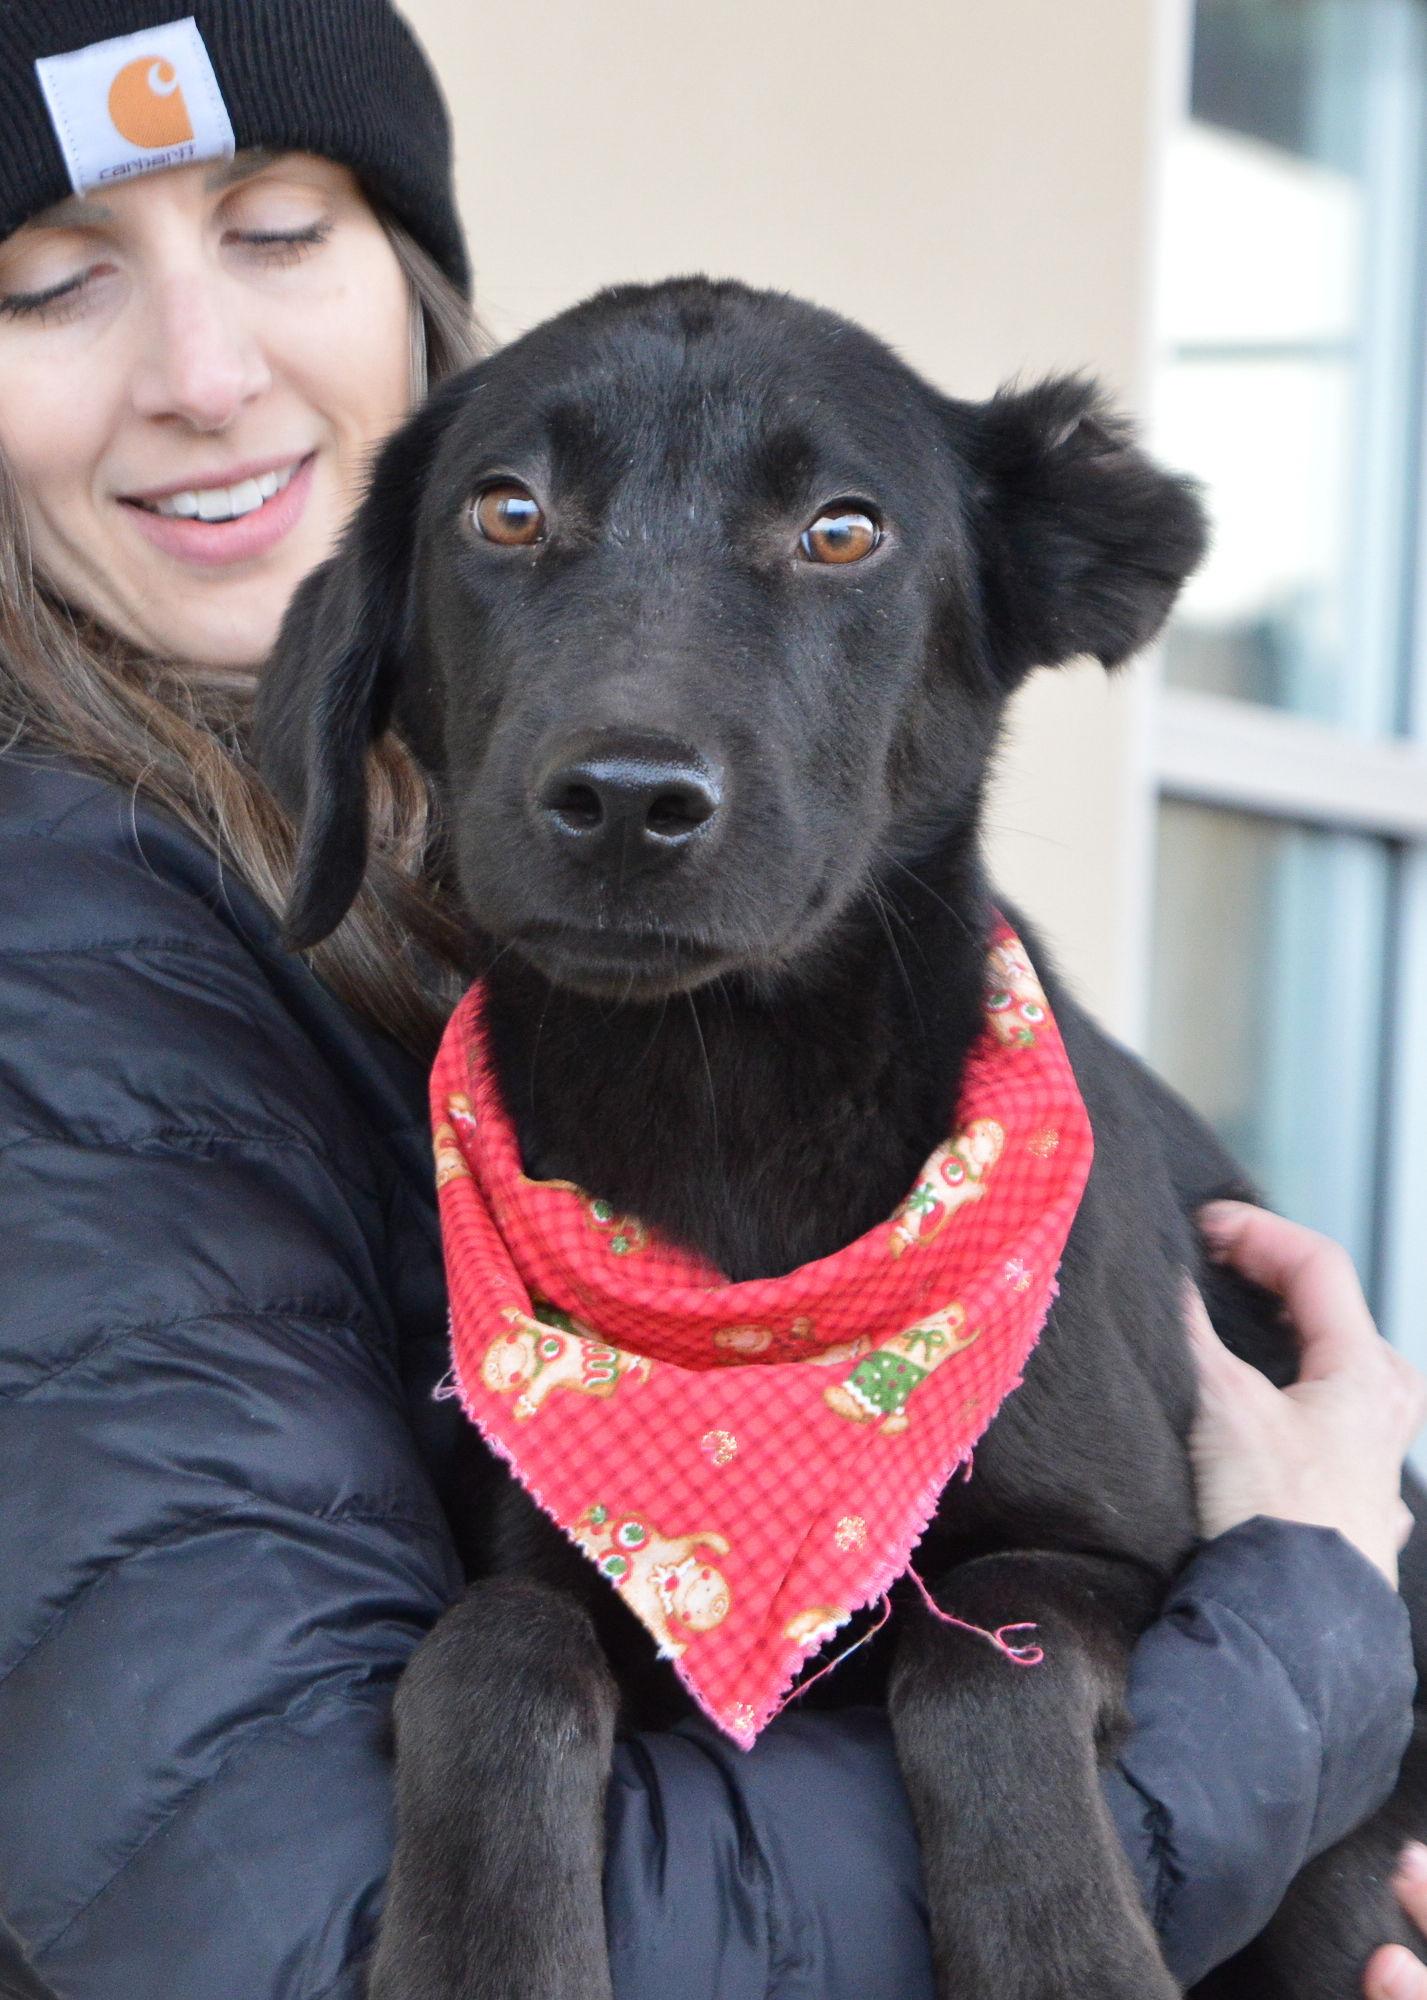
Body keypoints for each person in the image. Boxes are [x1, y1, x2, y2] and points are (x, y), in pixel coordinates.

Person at [0, 4, 1420, 1996]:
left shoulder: (431, 941)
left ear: (406, 287)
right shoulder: (73, 986)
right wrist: (1307, 1621)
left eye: (278, 230)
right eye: (51, 282)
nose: (203, 376)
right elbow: (283, 1919)